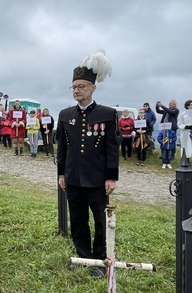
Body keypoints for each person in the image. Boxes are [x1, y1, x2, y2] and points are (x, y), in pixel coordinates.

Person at [56, 50, 119, 279]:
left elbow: (112, 148)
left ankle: (99, 260)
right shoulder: (65, 115)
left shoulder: (107, 114)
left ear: (93, 88)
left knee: (101, 222)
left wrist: (111, 177)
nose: (76, 90)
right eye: (74, 87)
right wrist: (61, 174)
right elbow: (62, 149)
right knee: (78, 220)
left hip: (97, 180)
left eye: (81, 86)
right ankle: (83, 257)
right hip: (73, 179)